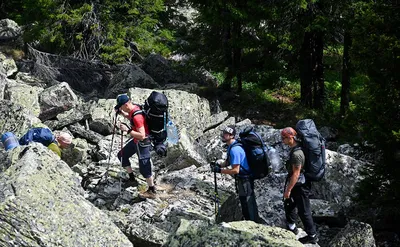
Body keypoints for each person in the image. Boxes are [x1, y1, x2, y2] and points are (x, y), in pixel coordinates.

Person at [210, 125, 260, 222]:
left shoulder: (234, 150)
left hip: (245, 180)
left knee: (248, 203)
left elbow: (235, 170)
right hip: (242, 178)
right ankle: (247, 220)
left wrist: (219, 171)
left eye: (226, 134)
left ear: (232, 136)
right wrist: (219, 165)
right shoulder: (231, 146)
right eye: (223, 133)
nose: (223, 135)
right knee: (243, 201)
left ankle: (253, 223)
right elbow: (228, 162)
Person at [114, 94, 157, 199]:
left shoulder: (137, 116)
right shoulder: (135, 109)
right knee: (122, 155)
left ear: (126, 104)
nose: (120, 108)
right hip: (136, 141)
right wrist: (123, 114)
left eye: (121, 106)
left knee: (144, 167)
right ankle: (132, 179)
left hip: (142, 143)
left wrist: (127, 130)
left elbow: (142, 135)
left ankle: (152, 189)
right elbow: (131, 117)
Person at [281, 127, 318, 244]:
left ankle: (312, 235)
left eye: (284, 138)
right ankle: (292, 228)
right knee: (289, 204)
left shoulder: (297, 154)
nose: (282, 140)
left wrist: (288, 190)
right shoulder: (295, 148)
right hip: (296, 183)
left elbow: (296, 174)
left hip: (300, 186)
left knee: (304, 211)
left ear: (290, 138)